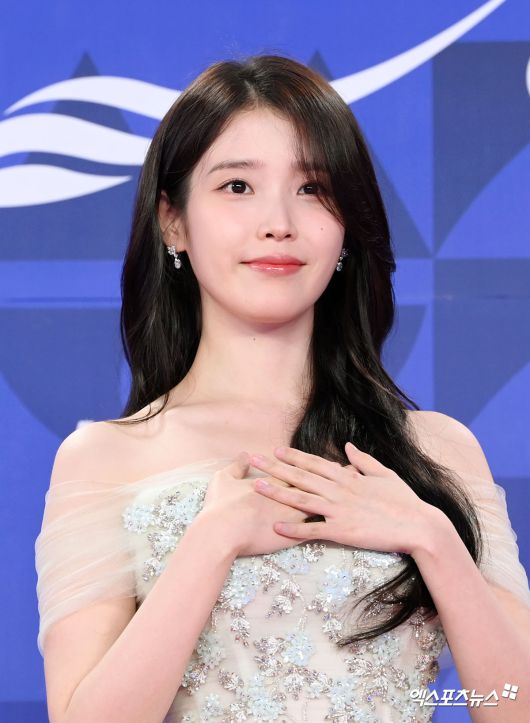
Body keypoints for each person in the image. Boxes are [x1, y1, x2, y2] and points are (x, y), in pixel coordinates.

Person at [35, 54, 530, 723]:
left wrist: (432, 538)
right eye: (237, 186)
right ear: (173, 221)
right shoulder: (106, 458)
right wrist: (210, 543)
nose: (278, 222)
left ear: (347, 226)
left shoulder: (437, 451)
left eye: (312, 187)